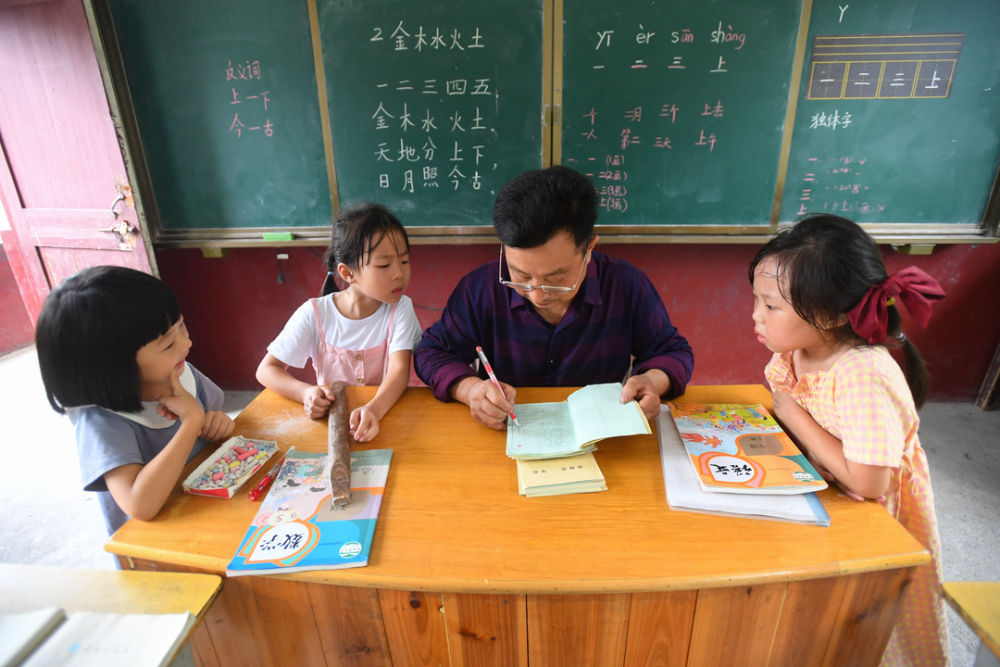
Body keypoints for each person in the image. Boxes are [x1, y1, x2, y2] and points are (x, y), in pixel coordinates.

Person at [749, 214, 949, 666]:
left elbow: (870, 481)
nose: (756, 315)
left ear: (834, 313)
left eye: (771, 306)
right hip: (829, 495)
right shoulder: (796, 351)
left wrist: (794, 416)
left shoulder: (862, 372)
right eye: (756, 300)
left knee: (871, 632)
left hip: (875, 521)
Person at [415, 165, 694, 428]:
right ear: (504, 249)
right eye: (520, 275)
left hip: (602, 437)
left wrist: (652, 381)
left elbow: (671, 351)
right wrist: (470, 390)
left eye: (556, 279)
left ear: (589, 248)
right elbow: (432, 352)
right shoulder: (480, 288)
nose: (537, 294)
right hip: (507, 434)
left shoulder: (625, 285)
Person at [35, 265, 235, 535]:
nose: (186, 344)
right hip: (159, 543)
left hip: (208, 515)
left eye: (182, 326)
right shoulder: (102, 423)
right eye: (168, 344)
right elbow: (140, 505)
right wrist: (191, 423)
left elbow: (213, 419)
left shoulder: (178, 372)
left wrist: (216, 423)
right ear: (111, 365)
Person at [256, 203, 421, 441]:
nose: (399, 273)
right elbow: (266, 370)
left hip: (384, 418)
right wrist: (306, 393)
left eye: (404, 261)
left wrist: (373, 410)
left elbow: (399, 372)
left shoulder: (401, 308)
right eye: (384, 265)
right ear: (347, 273)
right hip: (330, 427)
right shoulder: (315, 313)